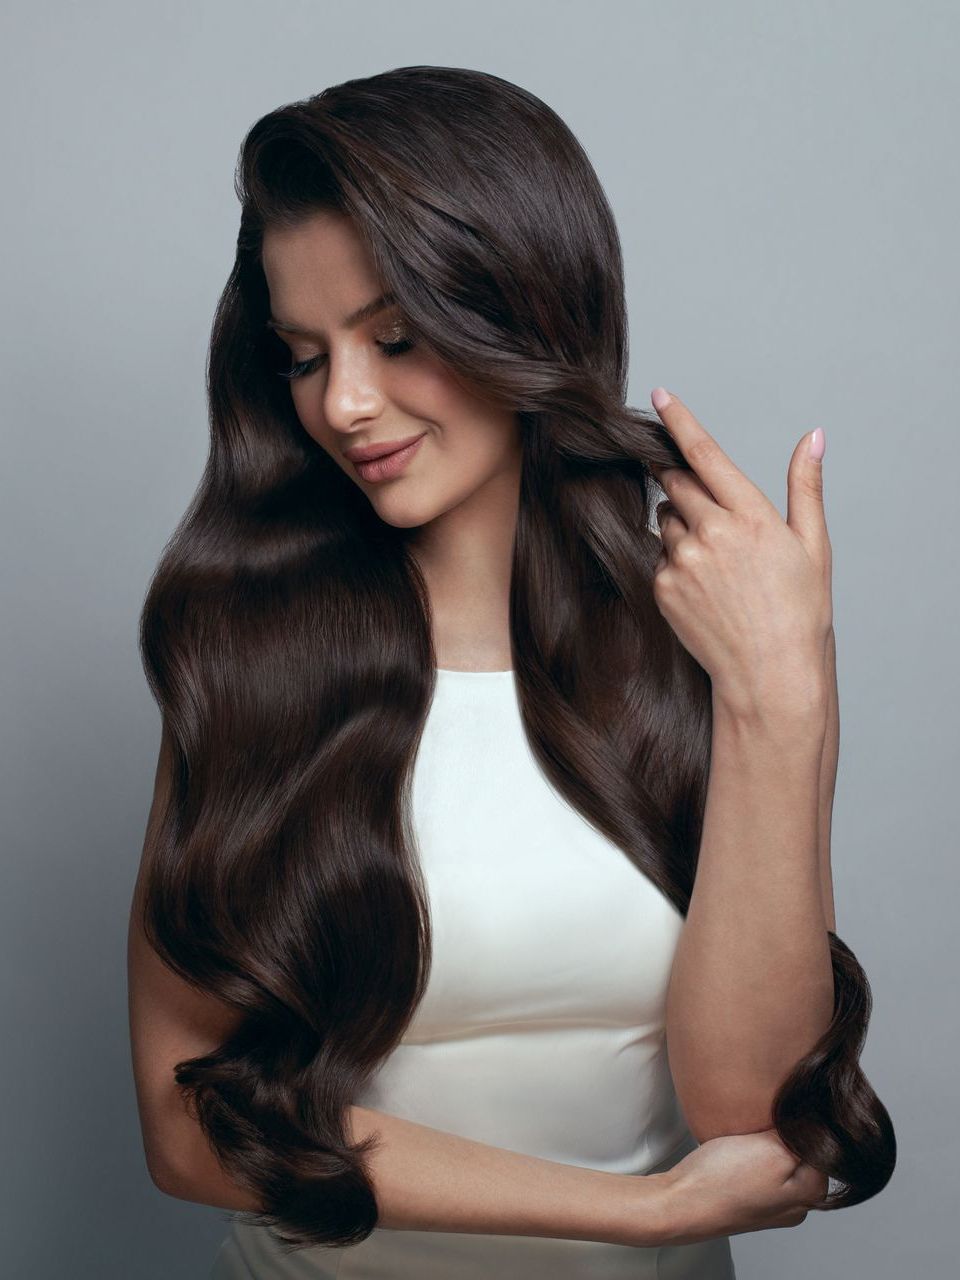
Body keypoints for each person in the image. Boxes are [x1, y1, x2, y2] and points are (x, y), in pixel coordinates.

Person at [127, 65, 895, 1280]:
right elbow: (187, 1125)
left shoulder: (717, 639)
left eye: (394, 336)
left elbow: (751, 1122)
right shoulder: (247, 655)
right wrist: (634, 1211)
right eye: (304, 353)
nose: (347, 402)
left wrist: (779, 687)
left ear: (527, 312)